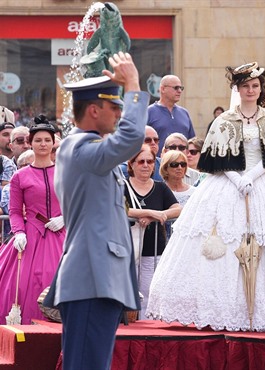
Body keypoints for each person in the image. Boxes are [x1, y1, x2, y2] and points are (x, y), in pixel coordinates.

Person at [146, 62, 265, 331]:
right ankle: (225, 310)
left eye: (255, 86)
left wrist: (252, 175)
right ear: (237, 89)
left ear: (261, 89)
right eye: (246, 86)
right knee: (223, 247)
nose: (251, 90)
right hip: (227, 184)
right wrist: (237, 177)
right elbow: (216, 158)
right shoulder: (224, 121)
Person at [43, 51, 148, 370]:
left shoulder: (85, 149)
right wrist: (133, 84)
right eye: (114, 107)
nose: (119, 113)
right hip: (92, 279)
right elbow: (131, 138)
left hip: (97, 278)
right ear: (93, 110)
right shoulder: (82, 149)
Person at [0, 118, 65, 325]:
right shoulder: (20, 176)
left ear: (54, 142)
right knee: (22, 285)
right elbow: (15, 211)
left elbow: (77, 203)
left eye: (47, 140)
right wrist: (18, 232)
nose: (43, 144)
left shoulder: (65, 173)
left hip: (61, 234)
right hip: (31, 235)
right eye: (38, 140)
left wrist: (65, 218)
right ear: (31, 143)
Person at [124, 145, 181, 317]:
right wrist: (148, 212)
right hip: (127, 250)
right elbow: (119, 208)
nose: (146, 165)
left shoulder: (160, 187)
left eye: (150, 161)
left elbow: (179, 208)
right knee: (127, 293)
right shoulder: (123, 186)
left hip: (154, 249)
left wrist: (159, 215)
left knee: (149, 292)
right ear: (131, 164)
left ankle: (147, 327)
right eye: (141, 161)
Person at [147, 74, 196, 153]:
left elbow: (192, 142)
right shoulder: (149, 112)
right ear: (163, 89)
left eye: (181, 88)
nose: (179, 91)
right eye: (176, 88)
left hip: (181, 164)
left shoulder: (184, 113)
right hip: (158, 163)